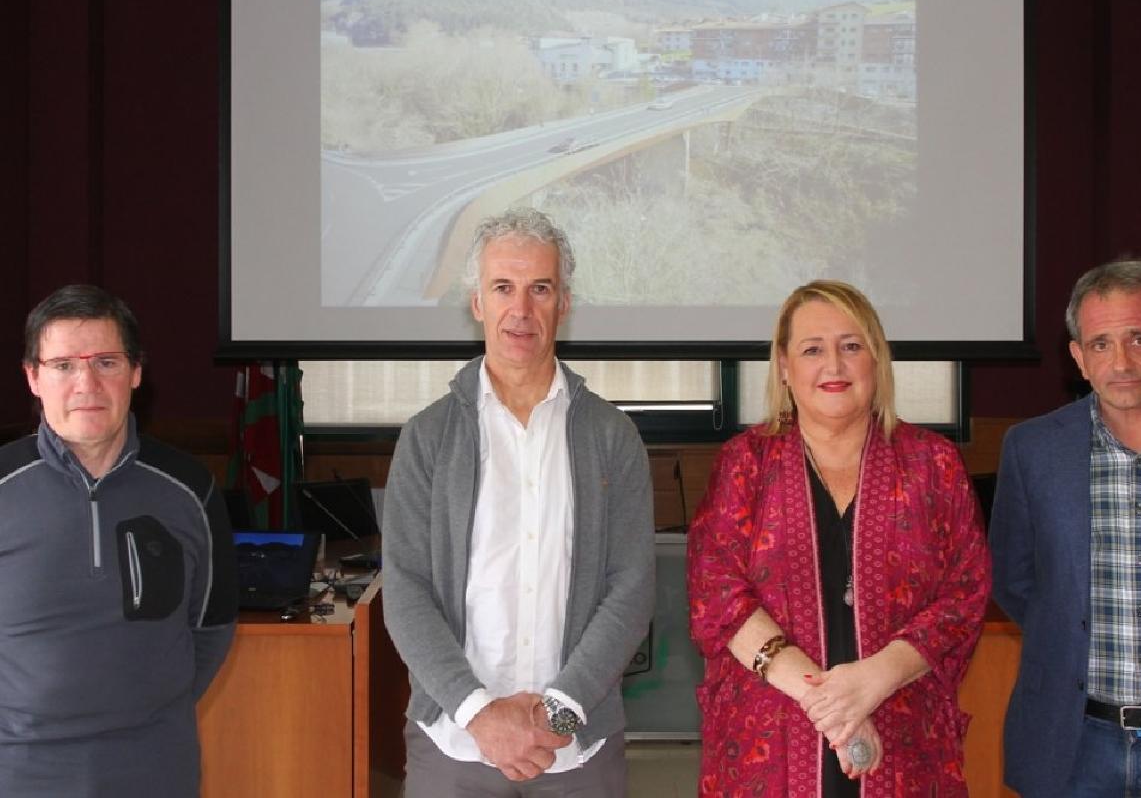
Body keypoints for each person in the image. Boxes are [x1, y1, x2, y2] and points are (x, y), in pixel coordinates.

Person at [382, 208, 655, 796]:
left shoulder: (612, 436)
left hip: (577, 747)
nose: (521, 309)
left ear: (564, 303)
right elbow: (404, 591)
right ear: (477, 302)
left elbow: (631, 588)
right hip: (454, 743)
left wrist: (559, 711)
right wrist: (480, 713)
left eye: (540, 289)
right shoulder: (427, 437)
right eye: (503, 287)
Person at [688, 280, 991, 796]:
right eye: (812, 349)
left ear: (876, 358)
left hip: (905, 738)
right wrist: (830, 705)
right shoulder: (746, 463)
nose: (834, 365)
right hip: (769, 744)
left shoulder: (932, 463)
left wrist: (875, 678)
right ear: (784, 366)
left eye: (851, 346)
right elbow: (717, 595)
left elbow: (965, 594)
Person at [0, 284, 238, 795]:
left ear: (135, 372)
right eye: (63, 365)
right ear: (33, 377)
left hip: (154, 768)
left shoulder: (191, 488)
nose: (86, 382)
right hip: (20, 772)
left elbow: (211, 628)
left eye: (105, 362)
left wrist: (148, 711)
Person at [991, 259, 1141, 796]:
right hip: (1074, 743)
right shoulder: (1031, 449)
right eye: (1101, 344)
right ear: (1079, 359)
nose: (1121, 361)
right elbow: (1014, 581)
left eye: (1138, 338)